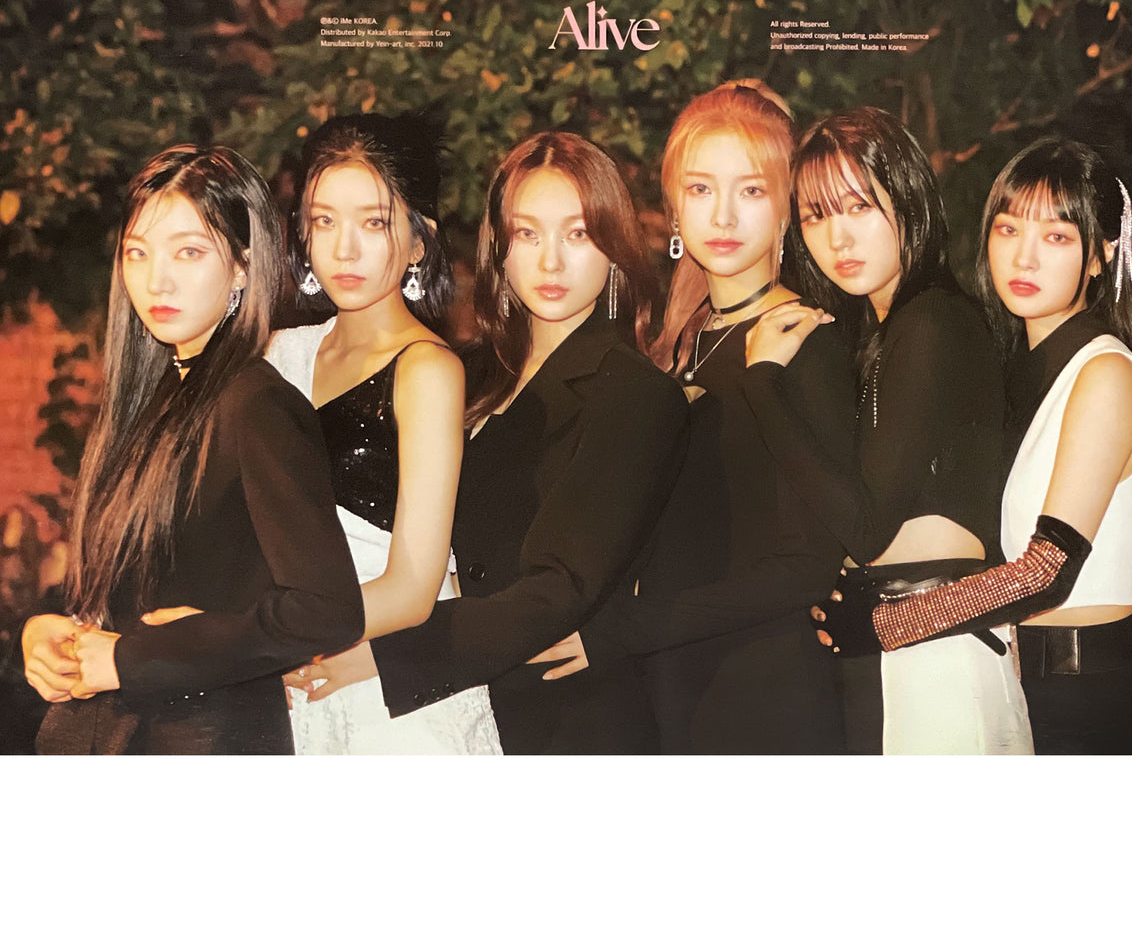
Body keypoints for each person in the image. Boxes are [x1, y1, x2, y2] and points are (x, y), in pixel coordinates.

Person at [289, 131, 689, 754]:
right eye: (528, 234)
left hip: (561, 719)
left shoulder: (634, 393)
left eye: (577, 234)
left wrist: (385, 657)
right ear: (499, 247)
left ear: (614, 247)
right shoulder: (467, 370)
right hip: (454, 704)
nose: (550, 262)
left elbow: (558, 589)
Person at [537, 81, 856, 754]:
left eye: (751, 190)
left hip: (764, 694)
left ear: (786, 207)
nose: (724, 215)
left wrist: (621, 630)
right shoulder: (681, 341)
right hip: (673, 687)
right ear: (675, 207)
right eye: (701, 188)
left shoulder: (803, 339)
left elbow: (807, 566)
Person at [819, 139, 1132, 753]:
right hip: (1014, 673)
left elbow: (1045, 573)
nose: (1024, 257)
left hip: (1088, 693)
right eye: (1008, 229)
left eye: (1056, 237)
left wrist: (886, 621)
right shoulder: (1012, 367)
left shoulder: (1106, 373)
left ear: (1101, 255)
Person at [21, 145, 364, 754]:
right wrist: (52, 633)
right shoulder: (149, 400)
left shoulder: (256, 403)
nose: (157, 280)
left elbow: (326, 610)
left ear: (242, 267)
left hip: (201, 742)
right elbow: (135, 589)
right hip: (113, 736)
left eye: (189, 251)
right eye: (138, 252)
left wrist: (136, 656)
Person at [744, 106, 1034, 754]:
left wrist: (761, 384)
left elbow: (866, 525)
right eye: (816, 216)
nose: (838, 238)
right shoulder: (890, 329)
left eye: (859, 207)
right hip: (897, 648)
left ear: (906, 198)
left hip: (935, 654)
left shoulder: (931, 323)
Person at [267, 113, 501, 754]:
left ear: (419, 241)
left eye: (373, 222)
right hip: (291, 680)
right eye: (324, 221)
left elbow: (413, 588)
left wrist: (266, 637)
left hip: (391, 698)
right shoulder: (277, 354)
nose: (344, 249)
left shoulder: (428, 370)